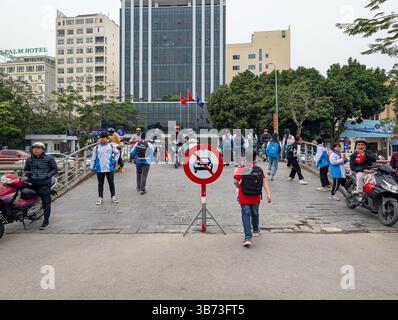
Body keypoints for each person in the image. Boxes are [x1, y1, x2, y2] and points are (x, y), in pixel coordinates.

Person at [234, 151, 272, 248]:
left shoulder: (241, 168)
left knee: (246, 214)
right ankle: (256, 230)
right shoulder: (259, 169)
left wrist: (239, 187)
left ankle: (247, 238)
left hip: (244, 195)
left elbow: (235, 181)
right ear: (255, 158)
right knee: (255, 212)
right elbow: (264, 181)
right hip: (255, 196)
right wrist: (268, 194)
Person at [24, 142, 58, 230]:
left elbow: (54, 169)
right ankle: (27, 213)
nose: (36, 150)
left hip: (44, 183)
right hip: (32, 182)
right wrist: (28, 174)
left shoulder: (49, 158)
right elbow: (26, 170)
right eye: (34, 148)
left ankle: (46, 220)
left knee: (46, 202)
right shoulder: (29, 159)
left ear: (43, 150)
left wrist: (47, 176)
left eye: (38, 148)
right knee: (23, 194)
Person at [91, 131, 120, 205]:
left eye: (104, 138)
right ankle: (100, 198)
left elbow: (117, 153)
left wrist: (115, 160)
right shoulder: (96, 147)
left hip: (109, 168)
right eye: (101, 138)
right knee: (100, 184)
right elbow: (93, 158)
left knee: (111, 183)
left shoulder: (111, 146)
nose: (102, 140)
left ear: (107, 138)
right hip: (99, 168)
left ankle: (113, 196)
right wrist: (92, 166)